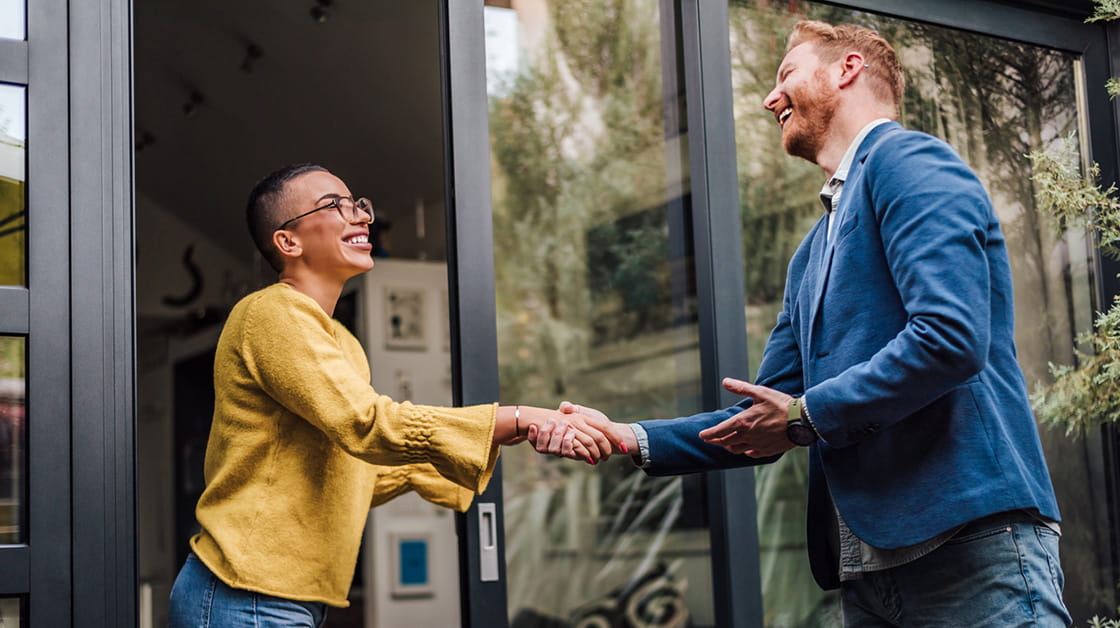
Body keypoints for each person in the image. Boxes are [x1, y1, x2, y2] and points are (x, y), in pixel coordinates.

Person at [539, 20, 1070, 627]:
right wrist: (628, 436)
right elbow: (766, 416)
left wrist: (802, 418)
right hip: (867, 578)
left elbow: (949, 338)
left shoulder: (907, 160)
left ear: (847, 69)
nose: (771, 98)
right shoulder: (808, 258)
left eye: (786, 74)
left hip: (969, 551)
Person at [167, 163, 623, 628]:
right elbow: (366, 424)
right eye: (335, 206)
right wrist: (516, 419)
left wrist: (500, 445)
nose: (361, 215)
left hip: (283, 600)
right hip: (242, 595)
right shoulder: (271, 314)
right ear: (289, 242)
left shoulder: (341, 340)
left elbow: (347, 470)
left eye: (358, 204)